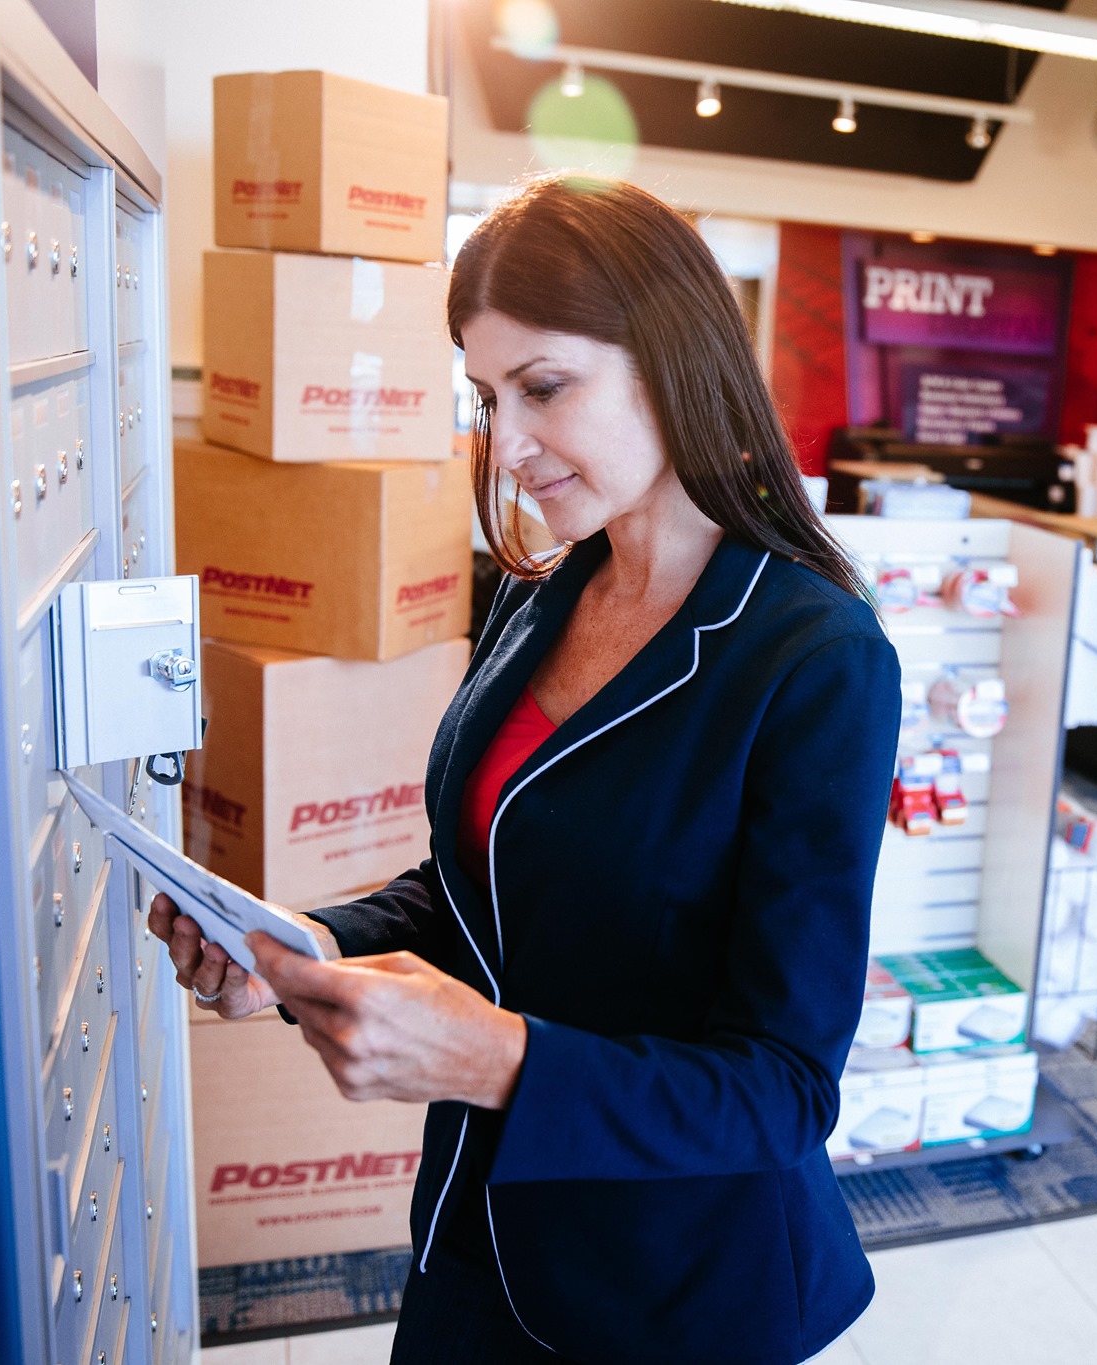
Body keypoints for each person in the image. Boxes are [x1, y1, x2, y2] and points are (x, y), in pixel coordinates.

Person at [148, 174, 901, 1364]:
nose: (504, 445)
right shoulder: (537, 597)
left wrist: (495, 1059)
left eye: (543, 388)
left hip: (669, 1290)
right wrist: (310, 945)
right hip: (472, 1234)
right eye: (486, 398)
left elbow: (784, 1088)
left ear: (674, 358)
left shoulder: (812, 659)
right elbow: (487, 882)